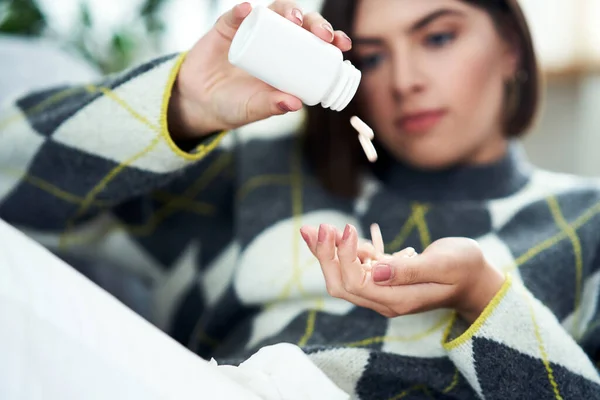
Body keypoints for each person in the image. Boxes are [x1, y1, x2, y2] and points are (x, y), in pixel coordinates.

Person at [0, 0, 599, 398]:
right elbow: (11, 188)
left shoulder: (583, 223)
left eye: (438, 37)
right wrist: (185, 103)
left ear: (512, 48)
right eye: (371, 55)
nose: (405, 80)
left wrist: (481, 298)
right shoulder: (256, 177)